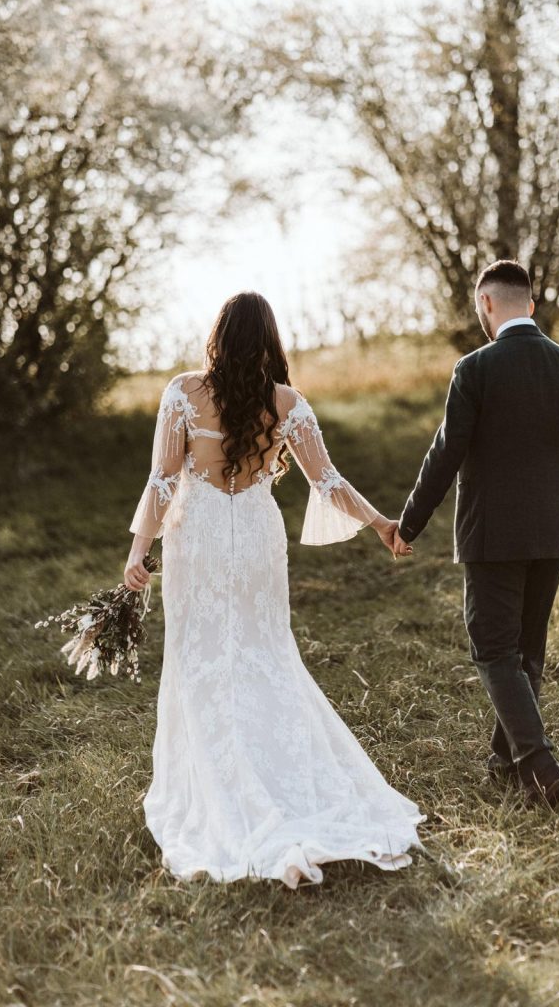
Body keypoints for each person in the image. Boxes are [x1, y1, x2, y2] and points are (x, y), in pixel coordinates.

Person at [124, 291, 424, 888]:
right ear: (269, 341)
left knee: (201, 655)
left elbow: (162, 481)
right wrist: (380, 523)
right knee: (265, 653)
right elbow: (328, 481)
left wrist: (138, 553)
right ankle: (274, 773)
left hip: (200, 539)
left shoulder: (183, 392)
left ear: (218, 337)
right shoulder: (287, 403)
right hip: (258, 540)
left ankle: (222, 781)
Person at [393, 260, 559, 808]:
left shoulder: (475, 368)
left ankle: (539, 764)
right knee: (525, 651)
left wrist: (408, 523)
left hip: (491, 535)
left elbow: (446, 453)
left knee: (493, 649)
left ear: (486, 304)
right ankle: (504, 762)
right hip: (553, 532)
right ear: (529, 305)